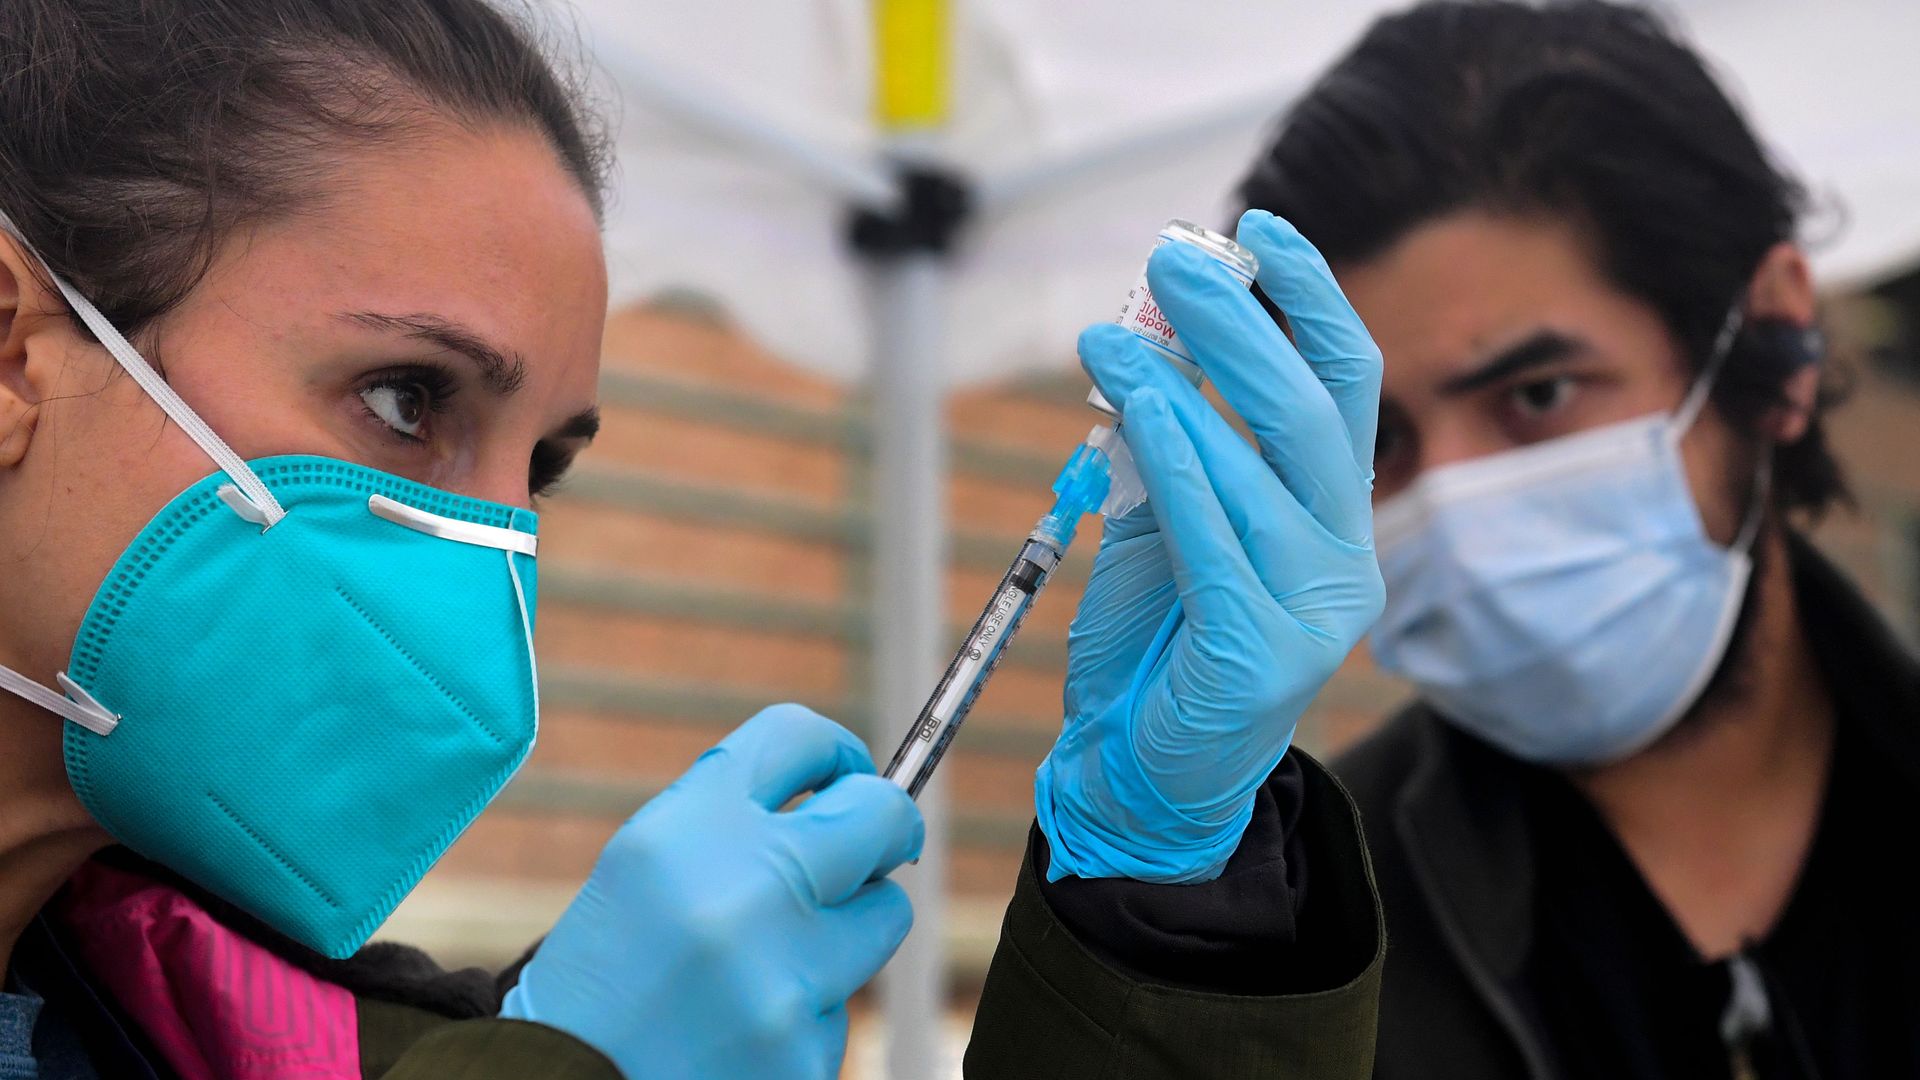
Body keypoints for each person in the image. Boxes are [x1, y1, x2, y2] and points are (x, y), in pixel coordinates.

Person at [0, 1, 1395, 1077]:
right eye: (404, 399)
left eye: (542, 468)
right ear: (13, 355)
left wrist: (1163, 895)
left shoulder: (234, 1025)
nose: (491, 560)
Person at [968, 2, 1919, 1078]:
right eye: (1385, 441)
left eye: (1539, 392)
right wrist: (1154, 930)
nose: (1456, 511)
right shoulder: (1302, 939)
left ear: (1780, 343)